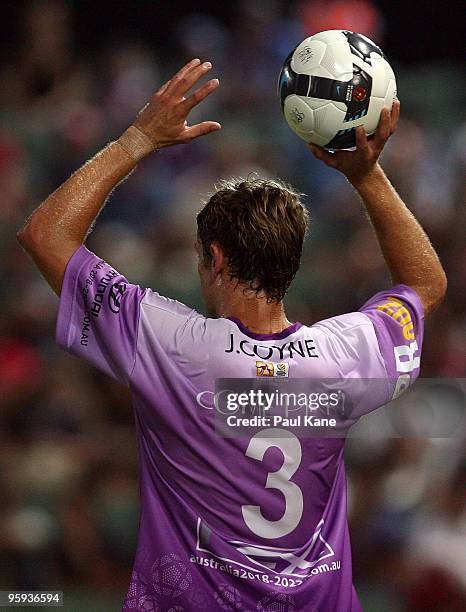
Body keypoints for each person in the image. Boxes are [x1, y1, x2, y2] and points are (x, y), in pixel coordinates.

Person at [18, 59, 446, 611]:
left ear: (215, 259)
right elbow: (424, 283)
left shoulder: (173, 345)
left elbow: (44, 234)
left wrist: (140, 136)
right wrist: (366, 174)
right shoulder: (345, 356)